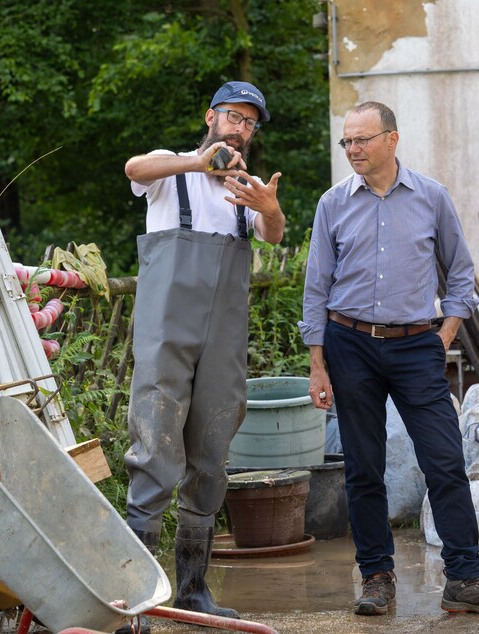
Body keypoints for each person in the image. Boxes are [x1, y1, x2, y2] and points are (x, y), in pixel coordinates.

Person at [299, 101, 479, 617]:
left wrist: (442, 335)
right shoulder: (332, 203)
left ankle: (465, 579)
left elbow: (460, 273)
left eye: (362, 140)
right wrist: (318, 362)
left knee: (445, 462)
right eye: (347, 142)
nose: (352, 150)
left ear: (392, 139)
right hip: (349, 343)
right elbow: (317, 287)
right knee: (362, 469)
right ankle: (377, 577)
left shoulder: (431, 197)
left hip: (417, 345)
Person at [119, 81, 284, 633]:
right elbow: (133, 169)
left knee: (211, 451)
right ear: (211, 116)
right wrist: (195, 161)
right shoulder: (173, 168)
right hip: (169, 333)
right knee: (156, 443)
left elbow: (273, 234)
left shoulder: (248, 186)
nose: (240, 128)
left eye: (249, 123)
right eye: (233, 117)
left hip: (224, 340)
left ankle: (191, 591)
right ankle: (135, 597)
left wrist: (270, 206)